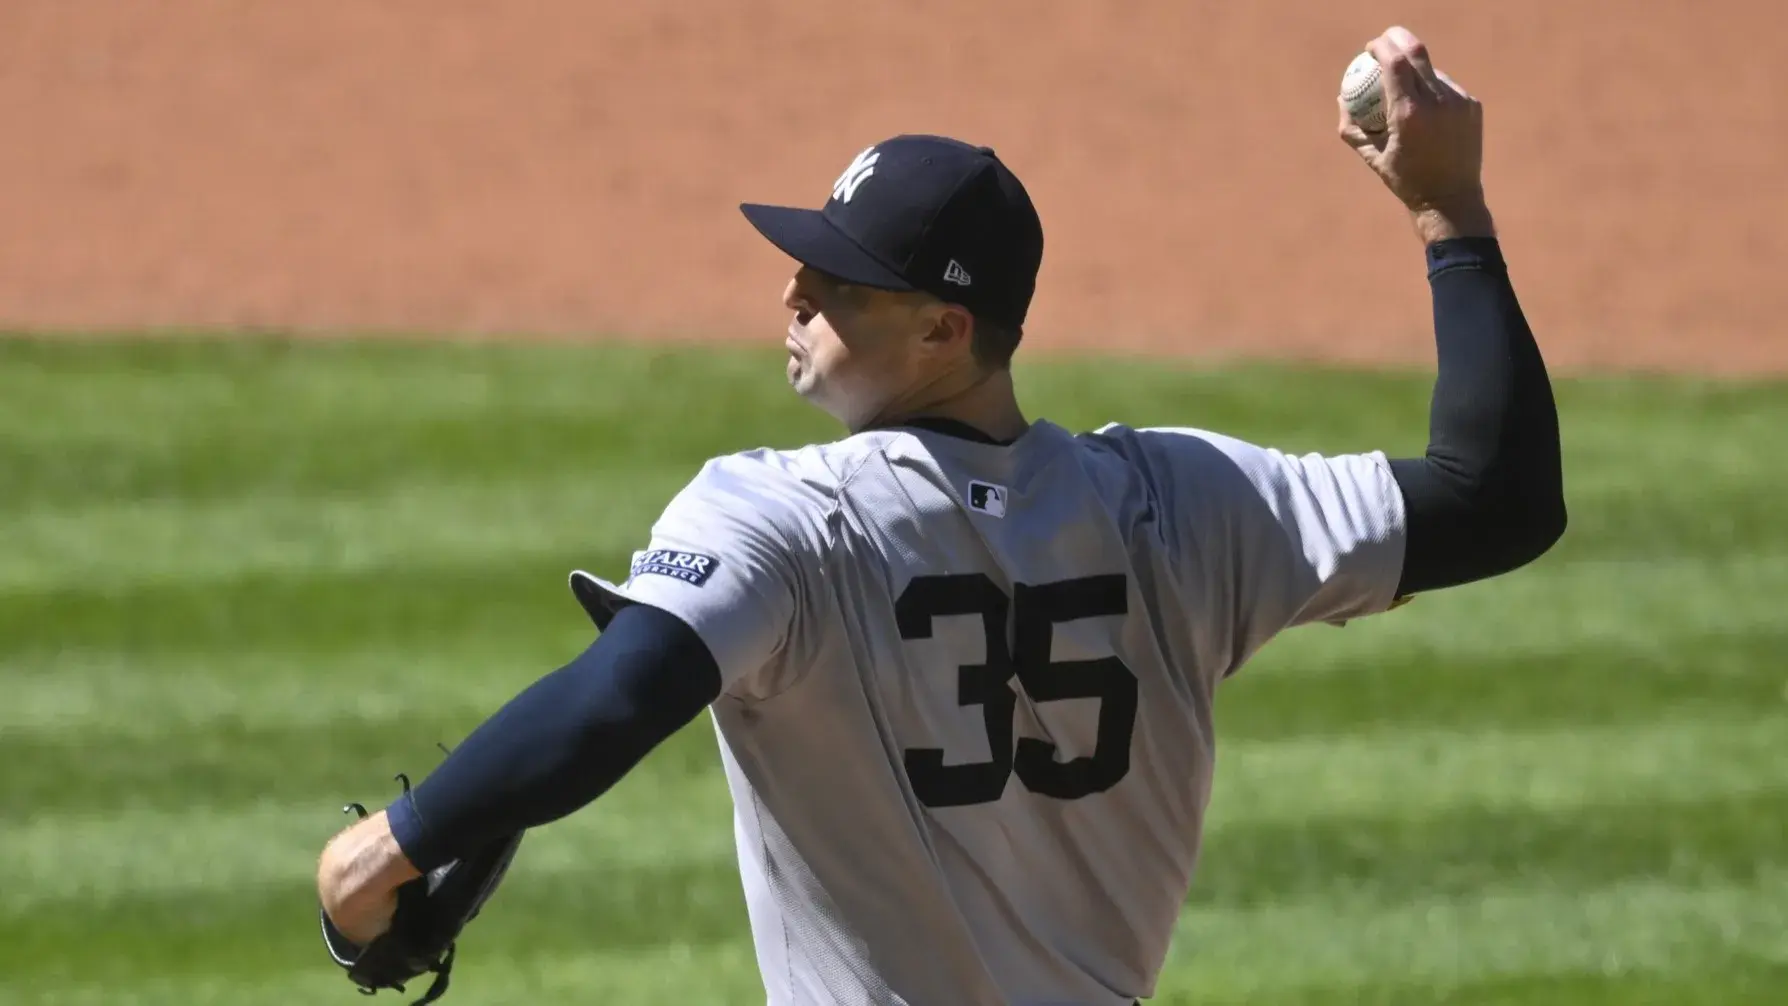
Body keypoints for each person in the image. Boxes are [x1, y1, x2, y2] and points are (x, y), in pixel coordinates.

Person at [316, 25, 1565, 1006]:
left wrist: (386, 852)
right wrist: (1449, 210)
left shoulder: (784, 517)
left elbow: (618, 697)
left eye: (841, 281)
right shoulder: (1192, 505)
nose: (794, 291)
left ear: (943, 330)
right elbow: (1495, 499)